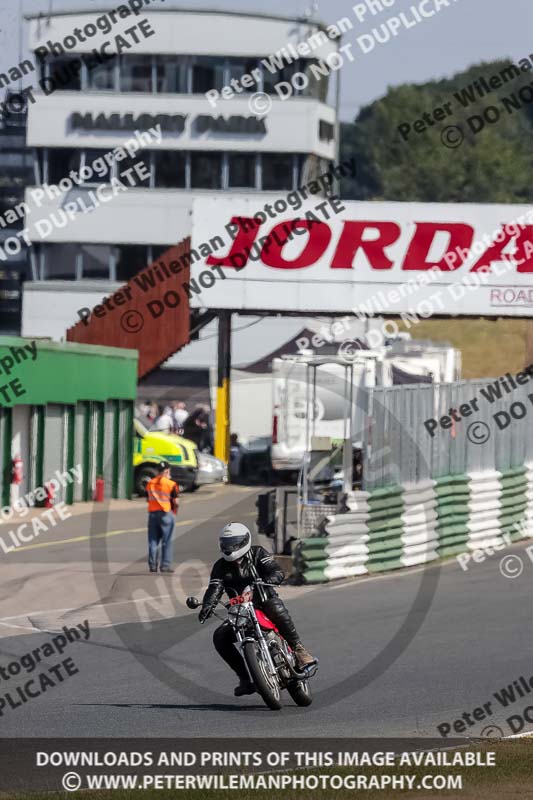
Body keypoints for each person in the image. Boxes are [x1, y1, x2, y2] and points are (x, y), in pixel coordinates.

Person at [199, 522, 316, 696]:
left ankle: (298, 649)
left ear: (244, 541)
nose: (229, 547)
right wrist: (207, 605)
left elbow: (275, 570)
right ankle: (245, 679)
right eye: (226, 543)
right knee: (220, 636)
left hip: (263, 600)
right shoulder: (220, 566)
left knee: (276, 609)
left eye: (234, 543)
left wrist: (272, 577)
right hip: (239, 610)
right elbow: (215, 587)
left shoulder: (258, 553)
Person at [145, 461, 179, 573]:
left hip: (153, 514)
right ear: (167, 471)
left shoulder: (150, 484)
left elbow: (147, 498)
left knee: (153, 540)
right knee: (167, 540)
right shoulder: (171, 484)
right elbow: (176, 501)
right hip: (166, 514)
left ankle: (152, 565)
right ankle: (165, 566)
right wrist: (174, 513)